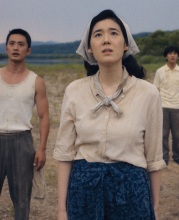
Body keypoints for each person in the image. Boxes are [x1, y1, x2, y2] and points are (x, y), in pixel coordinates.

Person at [53, 9, 165, 220]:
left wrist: (155, 210)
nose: (106, 40)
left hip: (132, 191)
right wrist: (61, 210)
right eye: (98, 34)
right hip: (83, 190)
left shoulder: (148, 93)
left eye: (113, 33)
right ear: (89, 48)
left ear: (125, 45)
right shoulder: (74, 90)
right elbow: (65, 153)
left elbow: (154, 158)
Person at [0, 29, 50, 220]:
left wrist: (42, 149)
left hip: (22, 142)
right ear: (6, 48)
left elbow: (44, 117)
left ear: (28, 50)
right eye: (12, 43)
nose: (16, 48)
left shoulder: (36, 81)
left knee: (22, 200)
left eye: (21, 44)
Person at [153, 46, 179, 166]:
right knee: (163, 135)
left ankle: (177, 156)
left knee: (176, 135)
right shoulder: (159, 71)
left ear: (178, 56)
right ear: (166, 56)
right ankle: (164, 157)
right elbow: (155, 90)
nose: (172, 55)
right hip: (163, 106)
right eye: (170, 53)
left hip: (177, 107)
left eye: (175, 53)